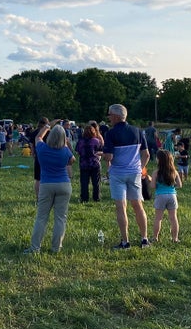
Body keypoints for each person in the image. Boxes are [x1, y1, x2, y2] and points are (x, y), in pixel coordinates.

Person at [102, 104, 150, 249]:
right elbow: (146, 154)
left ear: (116, 116)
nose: (109, 118)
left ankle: (125, 242)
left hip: (118, 174)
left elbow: (109, 156)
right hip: (134, 172)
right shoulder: (138, 131)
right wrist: (140, 169)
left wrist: (103, 155)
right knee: (138, 206)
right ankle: (144, 239)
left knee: (121, 208)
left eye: (110, 115)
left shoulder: (110, 133)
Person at [24, 123, 75, 254]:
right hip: (64, 184)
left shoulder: (42, 148)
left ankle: (35, 247)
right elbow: (72, 160)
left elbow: (38, 137)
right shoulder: (65, 151)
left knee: (41, 217)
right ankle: (56, 247)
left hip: (46, 184)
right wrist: (66, 144)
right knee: (60, 217)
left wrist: (46, 127)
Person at [150, 149, 182, 243]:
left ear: (159, 160)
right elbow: (179, 185)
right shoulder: (174, 172)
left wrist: (150, 179)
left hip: (160, 196)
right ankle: (175, 238)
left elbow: (153, 186)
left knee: (158, 218)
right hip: (172, 195)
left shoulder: (156, 172)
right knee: (173, 218)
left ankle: (155, 238)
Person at [76, 122, 104, 203]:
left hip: (84, 164)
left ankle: (84, 198)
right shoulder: (96, 141)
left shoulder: (80, 141)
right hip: (94, 163)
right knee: (96, 182)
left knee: (84, 183)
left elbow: (78, 152)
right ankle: (96, 197)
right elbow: (102, 151)